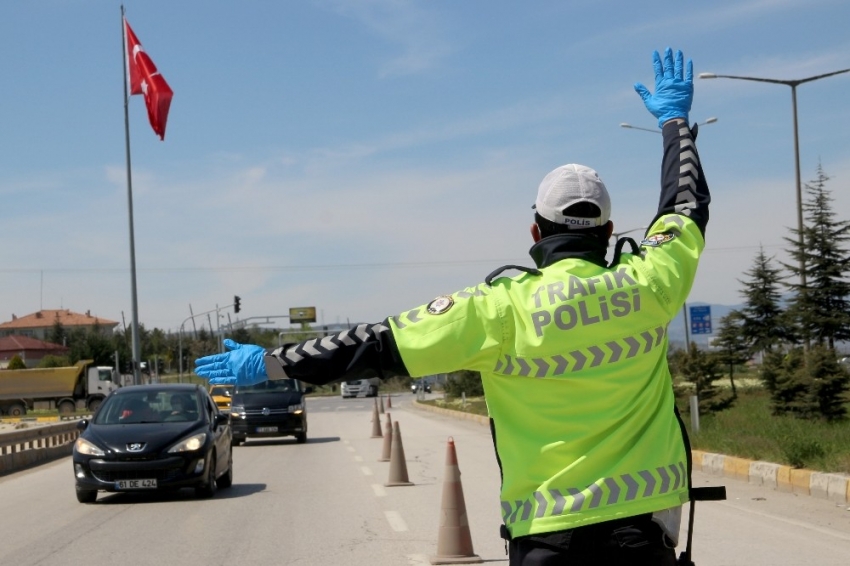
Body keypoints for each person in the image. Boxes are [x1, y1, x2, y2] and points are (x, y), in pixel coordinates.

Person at [196, 47, 714, 566]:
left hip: (548, 539)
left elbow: (377, 344)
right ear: (607, 232)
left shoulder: (497, 310)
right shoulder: (649, 282)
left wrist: (272, 361)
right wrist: (675, 124)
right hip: (641, 539)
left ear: (536, 232)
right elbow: (684, 205)